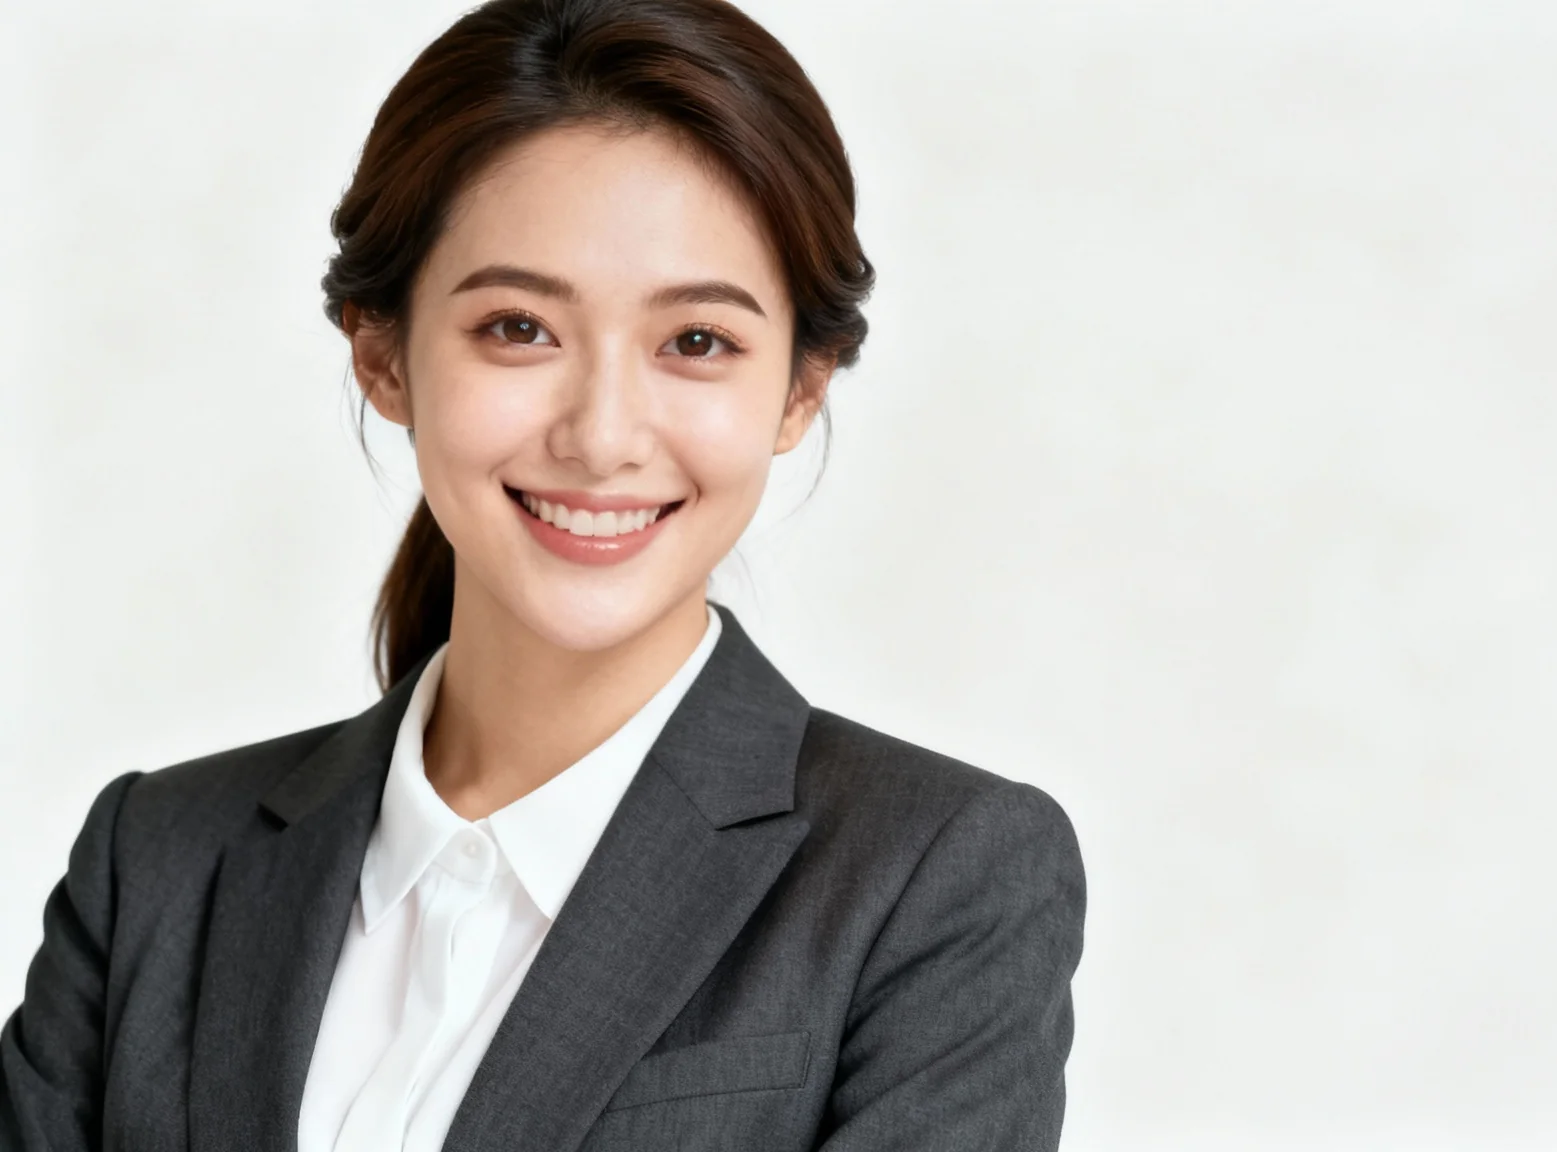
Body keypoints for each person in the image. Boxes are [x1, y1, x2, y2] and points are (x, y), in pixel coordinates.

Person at [0, 0, 1086, 1148]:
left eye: (697, 342)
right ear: (384, 356)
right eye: (518, 328)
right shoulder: (158, 860)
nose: (602, 433)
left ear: (801, 390)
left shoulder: (933, 877)